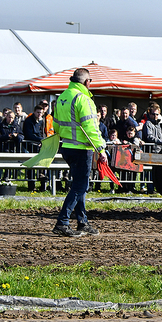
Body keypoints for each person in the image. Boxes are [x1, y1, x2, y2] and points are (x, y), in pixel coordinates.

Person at [52, 68, 107, 237]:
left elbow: (55, 125)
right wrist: (101, 149)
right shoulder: (84, 99)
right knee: (80, 187)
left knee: (79, 186)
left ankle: (82, 222)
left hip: (67, 147)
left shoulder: (62, 97)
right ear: (87, 82)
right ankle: (62, 222)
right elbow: (91, 128)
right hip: (82, 149)